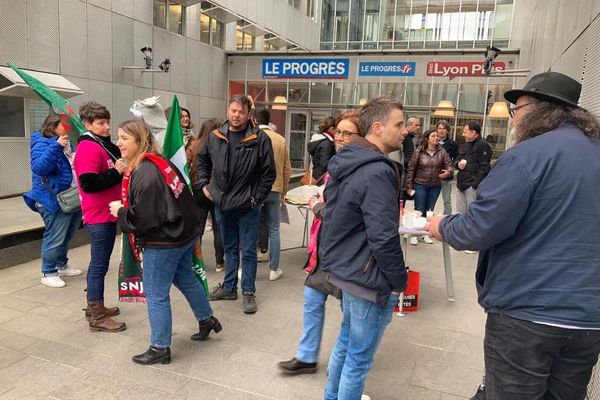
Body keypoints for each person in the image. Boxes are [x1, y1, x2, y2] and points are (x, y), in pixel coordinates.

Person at [426, 71, 600, 400]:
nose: (513, 119)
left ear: (536, 109)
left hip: (528, 313)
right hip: (588, 318)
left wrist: (442, 226)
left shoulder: (527, 156)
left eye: (515, 109)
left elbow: (480, 227)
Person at [110, 119, 222, 366]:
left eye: (124, 138)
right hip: (181, 234)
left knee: (156, 294)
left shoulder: (145, 171)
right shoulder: (158, 161)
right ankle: (207, 319)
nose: (118, 142)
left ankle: (160, 347)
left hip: (163, 242)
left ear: (139, 140)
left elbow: (145, 218)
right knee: (186, 280)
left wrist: (120, 211)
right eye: (118, 137)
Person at [320, 97, 408, 400]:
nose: (405, 130)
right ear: (377, 127)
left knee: (346, 344)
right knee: (358, 358)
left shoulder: (352, 161)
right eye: (399, 124)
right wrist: (399, 280)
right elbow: (383, 237)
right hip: (367, 277)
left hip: (349, 269)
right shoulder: (377, 171)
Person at [278, 110, 360, 375]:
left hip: (347, 252)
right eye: (339, 132)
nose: (341, 138)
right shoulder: (336, 165)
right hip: (322, 247)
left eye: (349, 133)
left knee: (350, 311)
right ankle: (307, 356)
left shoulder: (361, 169)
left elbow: (342, 212)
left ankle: (345, 360)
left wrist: (317, 205)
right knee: (312, 299)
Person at [198, 94, 275, 314]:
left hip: (247, 205)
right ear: (228, 111)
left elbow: (268, 174)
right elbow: (202, 161)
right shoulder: (215, 136)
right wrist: (205, 186)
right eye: (233, 110)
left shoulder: (259, 139)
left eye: (241, 112)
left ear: (249, 114)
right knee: (230, 247)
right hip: (222, 203)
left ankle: (248, 291)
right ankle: (230, 287)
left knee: (248, 251)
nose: (236, 115)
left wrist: (256, 198)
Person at [74, 101, 126, 333]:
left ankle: (95, 306)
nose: (106, 127)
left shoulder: (101, 144)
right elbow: (89, 183)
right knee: (98, 265)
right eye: (101, 123)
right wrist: (117, 172)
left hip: (106, 213)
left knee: (101, 264)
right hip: (98, 215)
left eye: (107, 122)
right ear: (87, 124)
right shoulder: (88, 148)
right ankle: (96, 315)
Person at [23, 114, 83, 288]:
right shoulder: (41, 141)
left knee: (68, 234)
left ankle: (61, 265)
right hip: (51, 198)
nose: (68, 128)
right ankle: (48, 272)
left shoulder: (65, 141)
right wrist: (56, 147)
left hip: (70, 196)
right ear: (53, 126)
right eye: (64, 125)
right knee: (55, 236)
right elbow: (39, 167)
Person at [254, 107, 292, 281]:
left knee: (250, 227)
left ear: (254, 119)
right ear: (269, 121)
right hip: (275, 189)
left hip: (254, 190)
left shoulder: (251, 136)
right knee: (274, 228)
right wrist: (283, 190)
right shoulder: (280, 139)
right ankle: (273, 269)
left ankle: (245, 266)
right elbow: (287, 169)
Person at [188, 118, 225, 272]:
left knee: (198, 229)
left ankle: (196, 261)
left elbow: (184, 166)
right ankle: (219, 263)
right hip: (216, 190)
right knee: (218, 228)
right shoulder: (221, 146)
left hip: (198, 190)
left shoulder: (193, 146)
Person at [405, 128, 452, 245]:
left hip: (435, 185)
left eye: (437, 136)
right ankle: (415, 234)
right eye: (433, 136)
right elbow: (411, 169)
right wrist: (409, 186)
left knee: (429, 210)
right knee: (419, 209)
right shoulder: (419, 151)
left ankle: (425, 234)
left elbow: (449, 165)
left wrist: (448, 172)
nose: (436, 138)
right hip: (420, 184)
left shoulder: (442, 151)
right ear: (427, 138)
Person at [435, 120, 459, 215]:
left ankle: (447, 217)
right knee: (431, 199)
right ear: (436, 130)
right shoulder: (431, 141)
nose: (441, 131)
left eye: (444, 129)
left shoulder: (452, 144)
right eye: (439, 128)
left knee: (447, 199)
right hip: (432, 175)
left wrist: (450, 167)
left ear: (447, 131)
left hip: (446, 176)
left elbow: (457, 157)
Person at [307, 116, 336, 183]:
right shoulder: (327, 143)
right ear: (331, 128)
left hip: (315, 175)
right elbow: (325, 164)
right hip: (322, 178)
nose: (337, 133)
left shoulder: (318, 140)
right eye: (337, 130)